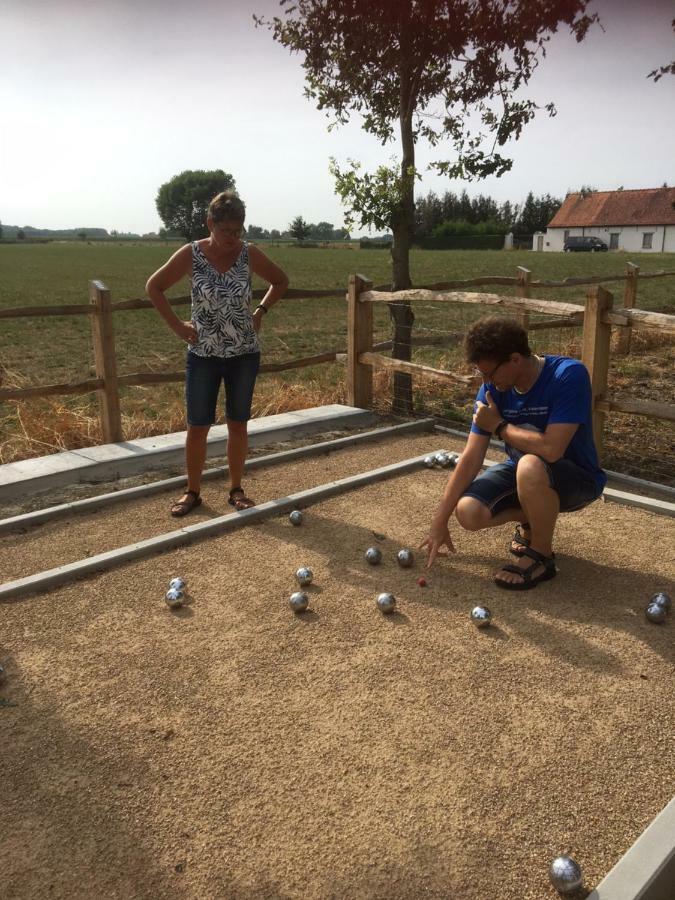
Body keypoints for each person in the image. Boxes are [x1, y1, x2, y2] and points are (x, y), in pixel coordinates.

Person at [420, 316, 606, 589]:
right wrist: (440, 521)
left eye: (490, 373)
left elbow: (552, 450)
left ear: (515, 359)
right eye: (481, 374)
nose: (486, 382)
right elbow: (471, 459)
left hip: (577, 479)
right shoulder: (492, 390)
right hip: (525, 473)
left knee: (531, 464)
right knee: (468, 512)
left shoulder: (568, 375)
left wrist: (498, 426)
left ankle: (541, 555)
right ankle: (530, 519)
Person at [146, 191, 289, 516]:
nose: (232, 238)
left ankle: (236, 489)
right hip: (203, 356)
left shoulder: (249, 253)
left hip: (243, 354)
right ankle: (192, 491)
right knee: (198, 426)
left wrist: (261, 311)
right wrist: (177, 326)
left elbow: (280, 281)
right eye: (226, 231)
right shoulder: (190, 254)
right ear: (210, 223)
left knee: (237, 424)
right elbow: (154, 287)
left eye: (238, 231)